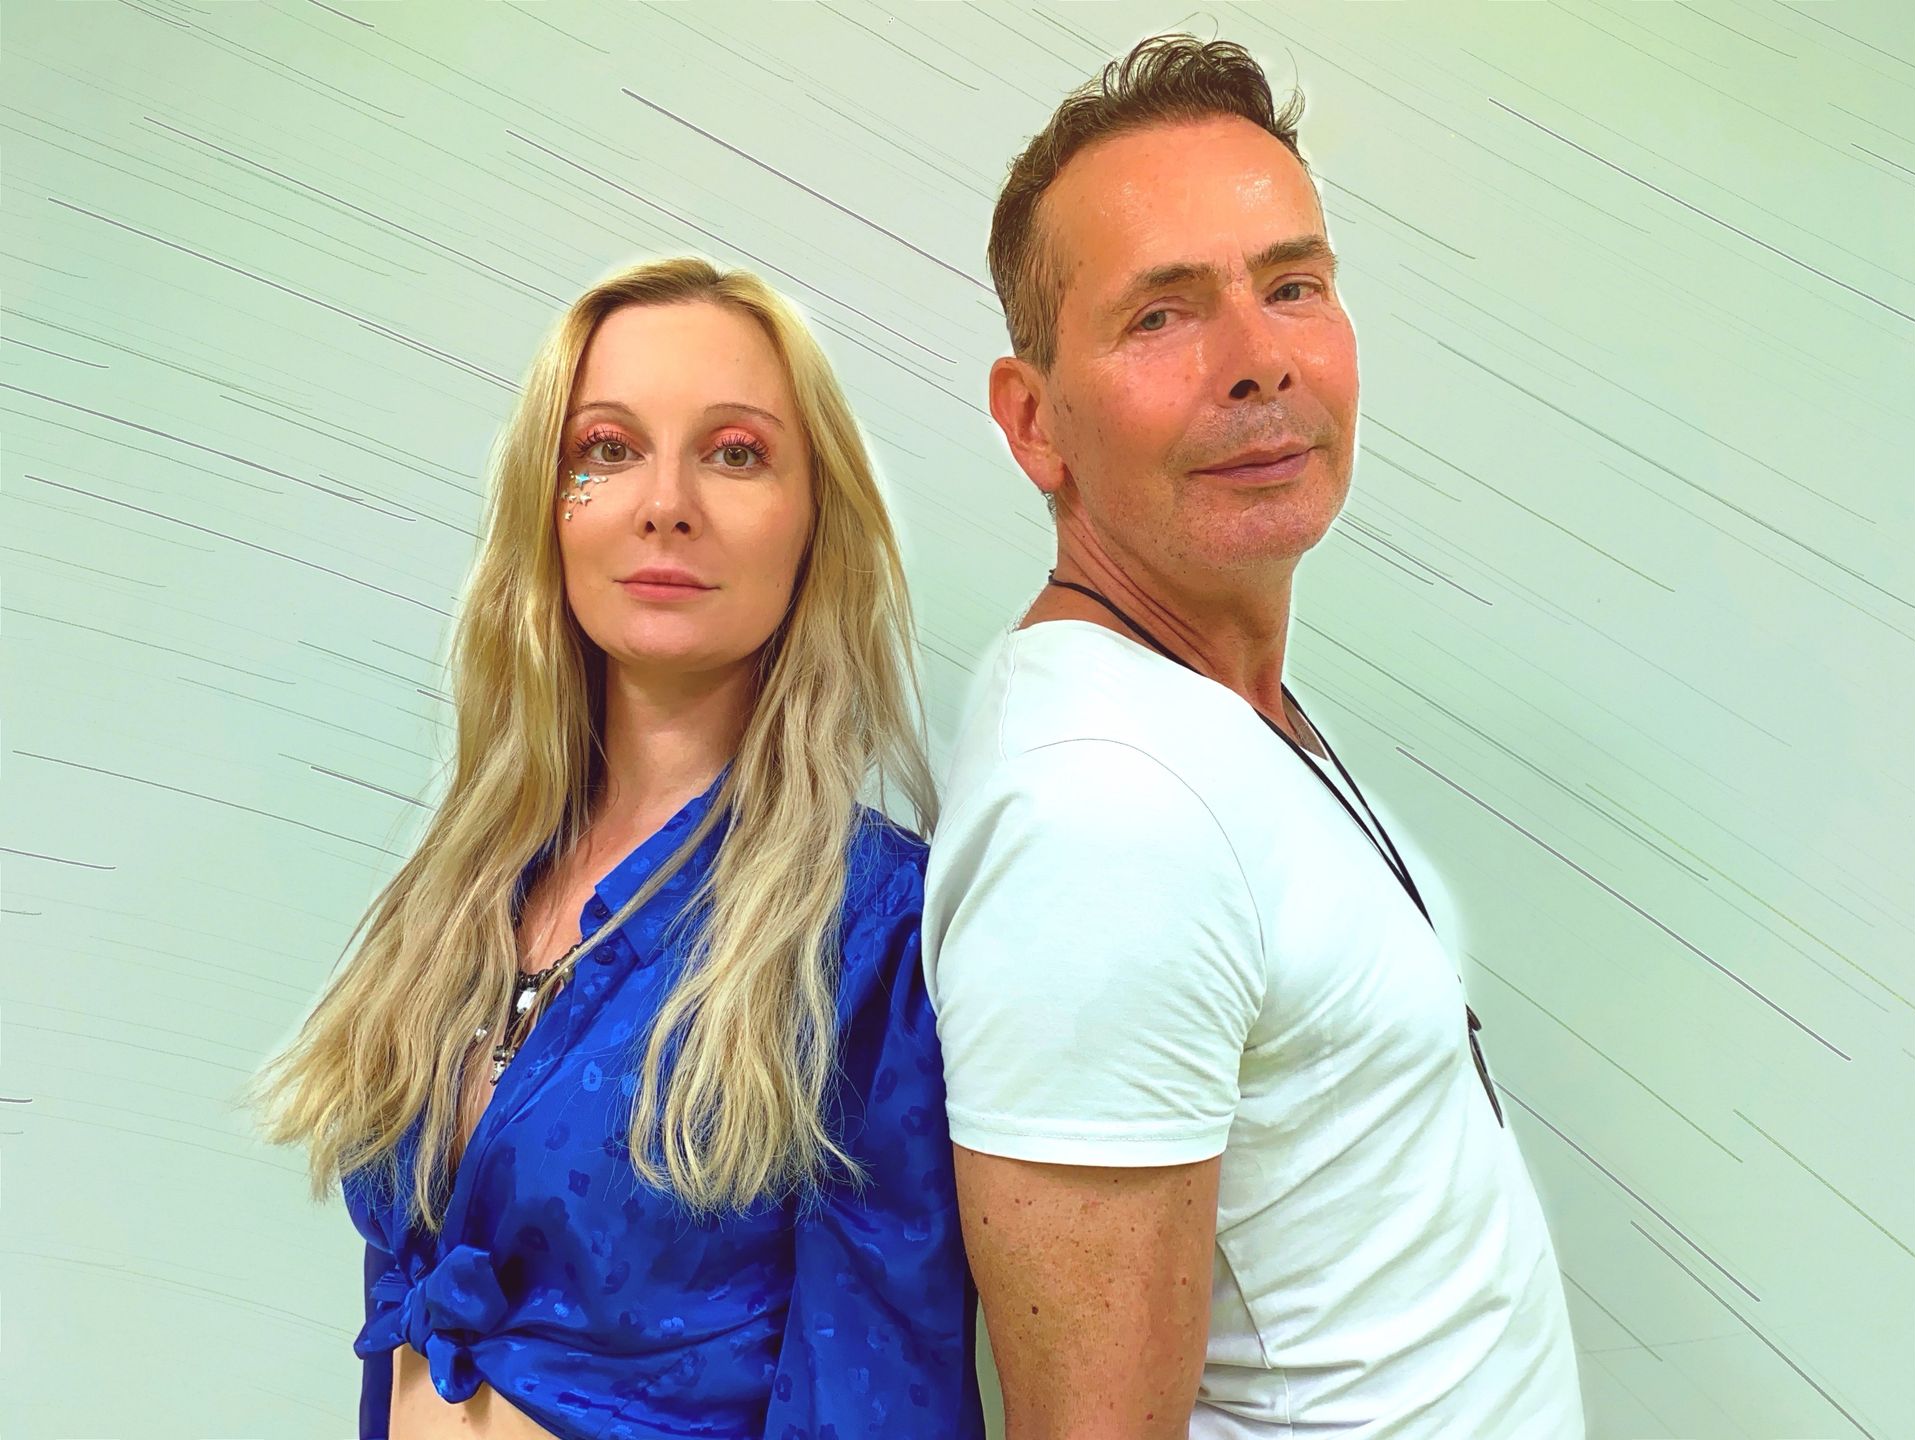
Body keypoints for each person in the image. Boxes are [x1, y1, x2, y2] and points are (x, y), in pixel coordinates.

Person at [922, 33, 1585, 1439]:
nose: (1258, 359)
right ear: (1034, 424)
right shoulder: (1104, 819)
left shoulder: (1210, 698)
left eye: (1292, 286)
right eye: (1162, 315)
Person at [252, 257, 984, 1440]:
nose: (665, 503)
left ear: (814, 522)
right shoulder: (464, 888)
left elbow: (876, 1403)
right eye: (607, 448)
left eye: (735, 452)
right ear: (550, 507)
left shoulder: (869, 937)